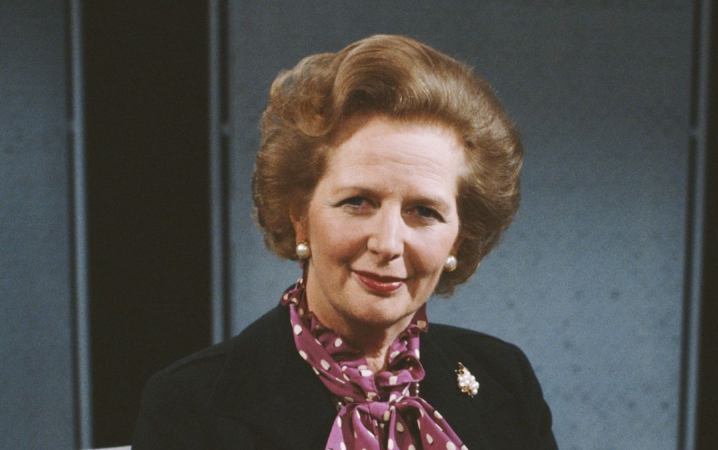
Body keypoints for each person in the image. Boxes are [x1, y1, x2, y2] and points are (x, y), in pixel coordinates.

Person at [133, 34, 557, 450]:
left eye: (424, 211)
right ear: (299, 217)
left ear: (458, 241)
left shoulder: (505, 380)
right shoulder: (192, 404)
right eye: (358, 202)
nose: (388, 243)